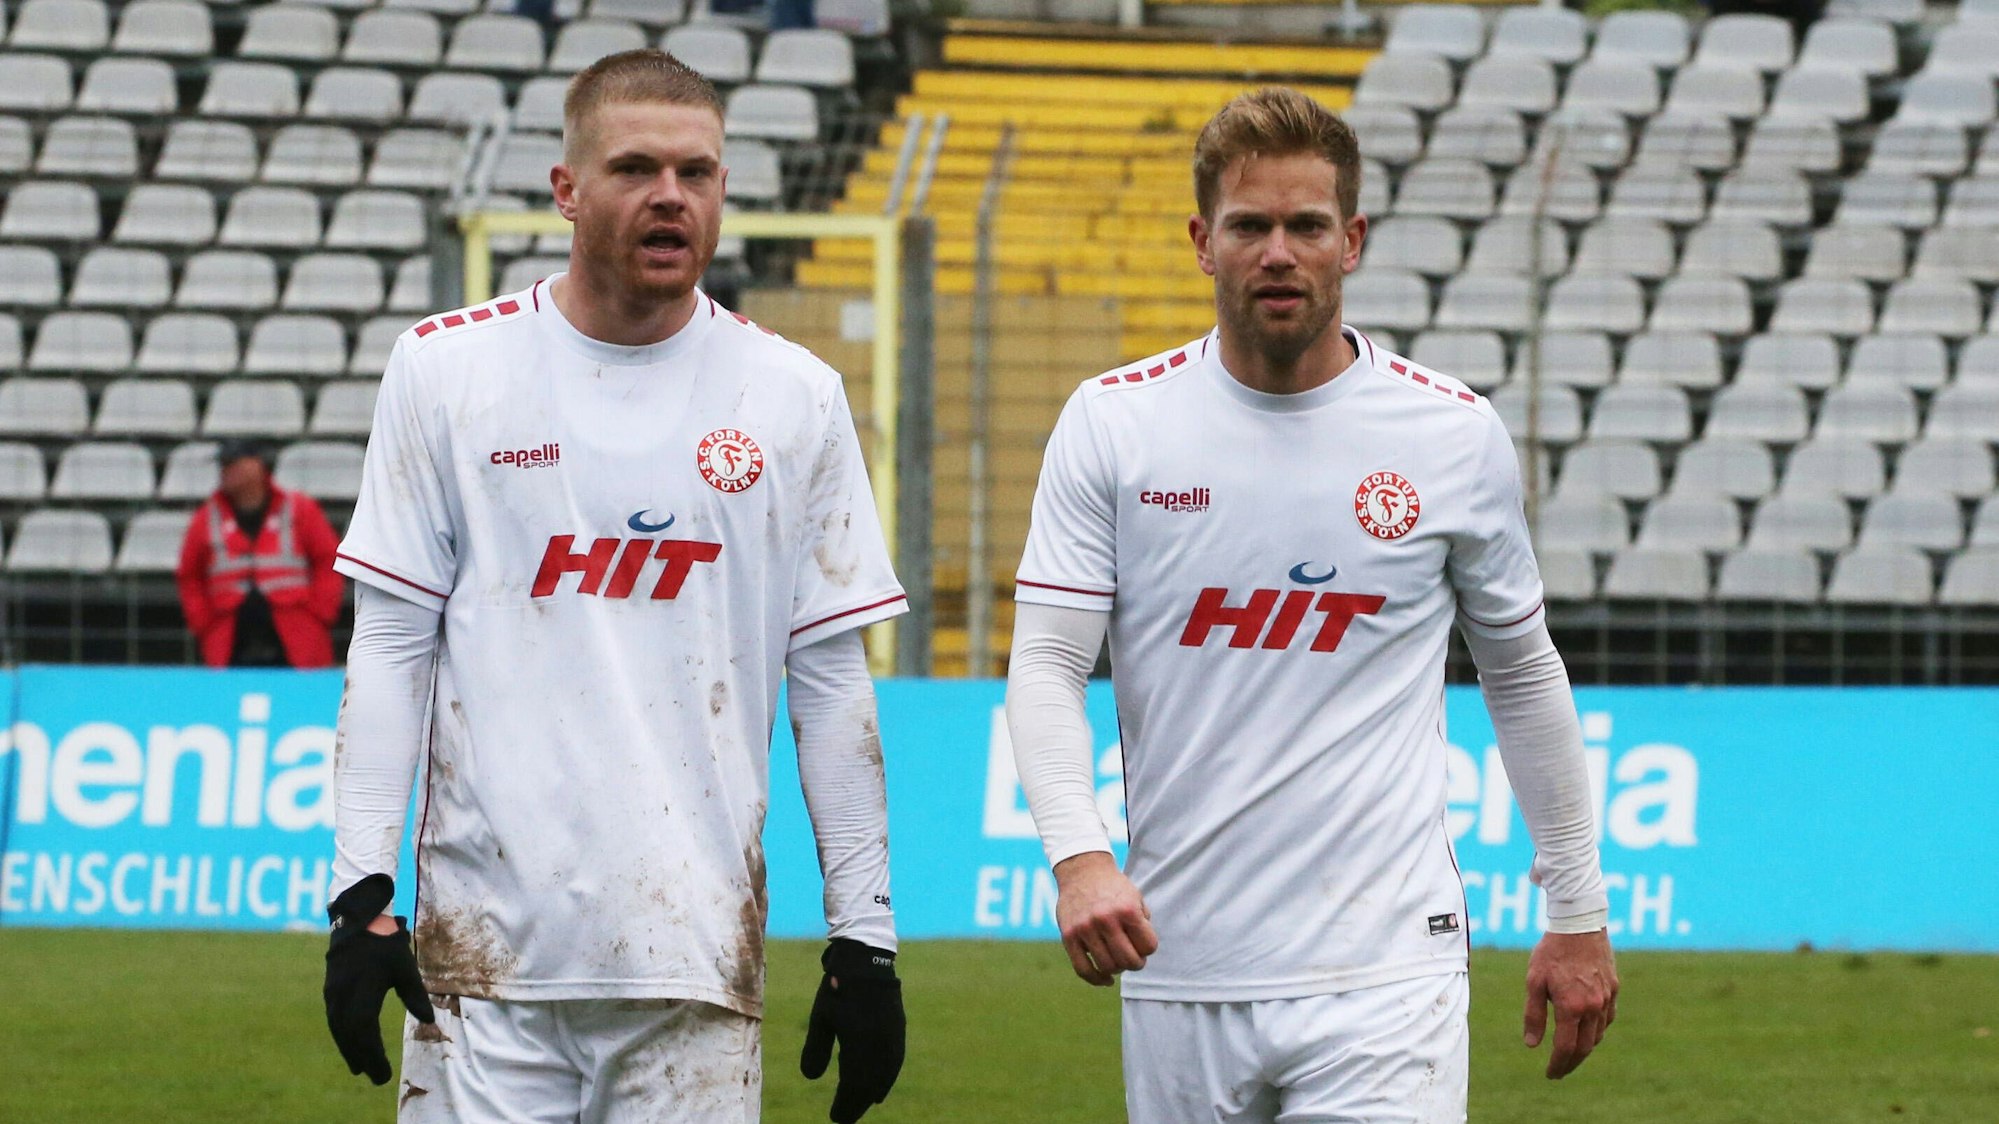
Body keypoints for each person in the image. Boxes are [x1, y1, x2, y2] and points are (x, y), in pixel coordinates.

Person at [1004, 87, 1618, 1124]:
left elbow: (1520, 675)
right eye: (1249, 225)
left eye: (1305, 226)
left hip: (1386, 970)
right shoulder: (1114, 425)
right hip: (1181, 962)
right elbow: (1047, 662)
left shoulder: (1447, 435)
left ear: (1353, 240)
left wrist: (1578, 907)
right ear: (1203, 241)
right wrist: (1079, 856)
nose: (1277, 251)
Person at [321, 49, 908, 1124]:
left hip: (695, 969)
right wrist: (361, 896)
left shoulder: (794, 397)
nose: (671, 195)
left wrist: (863, 934)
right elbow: (390, 647)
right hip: (482, 967)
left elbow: (830, 685)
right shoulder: (445, 371)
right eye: (636, 167)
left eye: (698, 171)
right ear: (566, 189)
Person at [174, 438, 342, 668]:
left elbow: (327, 560)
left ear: (257, 465)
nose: (224, 471)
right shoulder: (206, 518)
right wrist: (204, 623)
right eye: (222, 465)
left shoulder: (300, 509)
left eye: (231, 463)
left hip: (297, 636)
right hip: (228, 639)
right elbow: (190, 575)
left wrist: (320, 614)